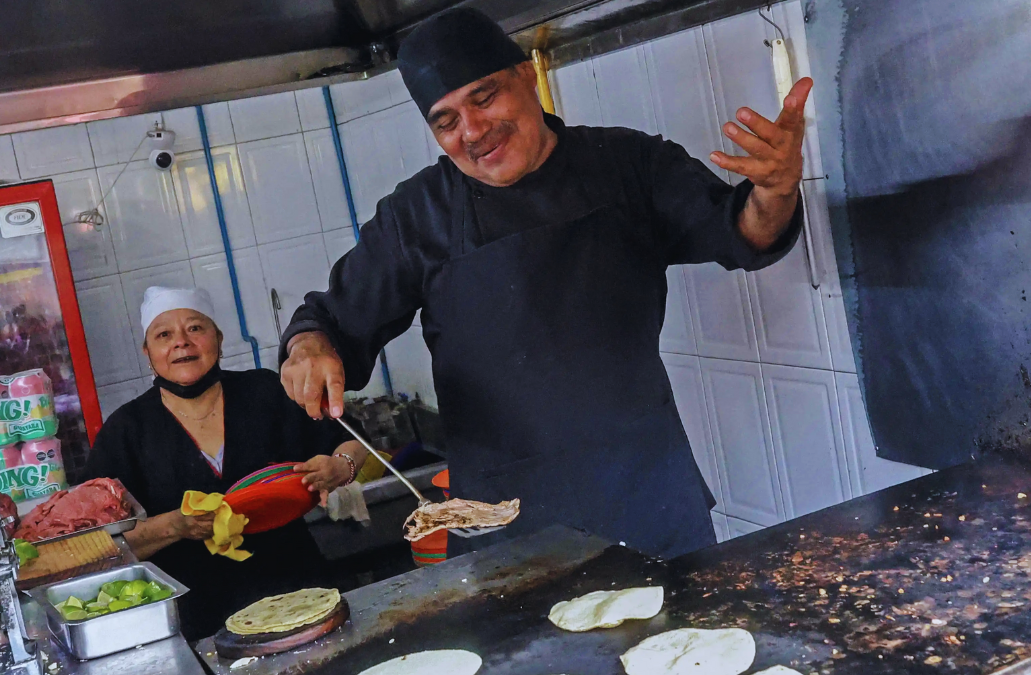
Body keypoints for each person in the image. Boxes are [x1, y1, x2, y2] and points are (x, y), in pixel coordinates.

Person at [279, 8, 811, 559]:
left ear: (527, 77)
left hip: (648, 495)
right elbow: (330, 321)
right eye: (446, 121)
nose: (473, 131)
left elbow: (741, 233)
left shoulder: (628, 163)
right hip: (503, 523)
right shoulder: (417, 216)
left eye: (484, 98)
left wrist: (775, 191)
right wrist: (309, 347)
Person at [83, 287, 368, 640]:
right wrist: (175, 526)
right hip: (199, 623)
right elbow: (100, 544)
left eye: (195, 329)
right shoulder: (126, 430)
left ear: (217, 338)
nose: (181, 343)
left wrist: (341, 466)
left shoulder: (265, 390)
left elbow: (353, 439)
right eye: (164, 335)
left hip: (300, 593)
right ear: (148, 352)